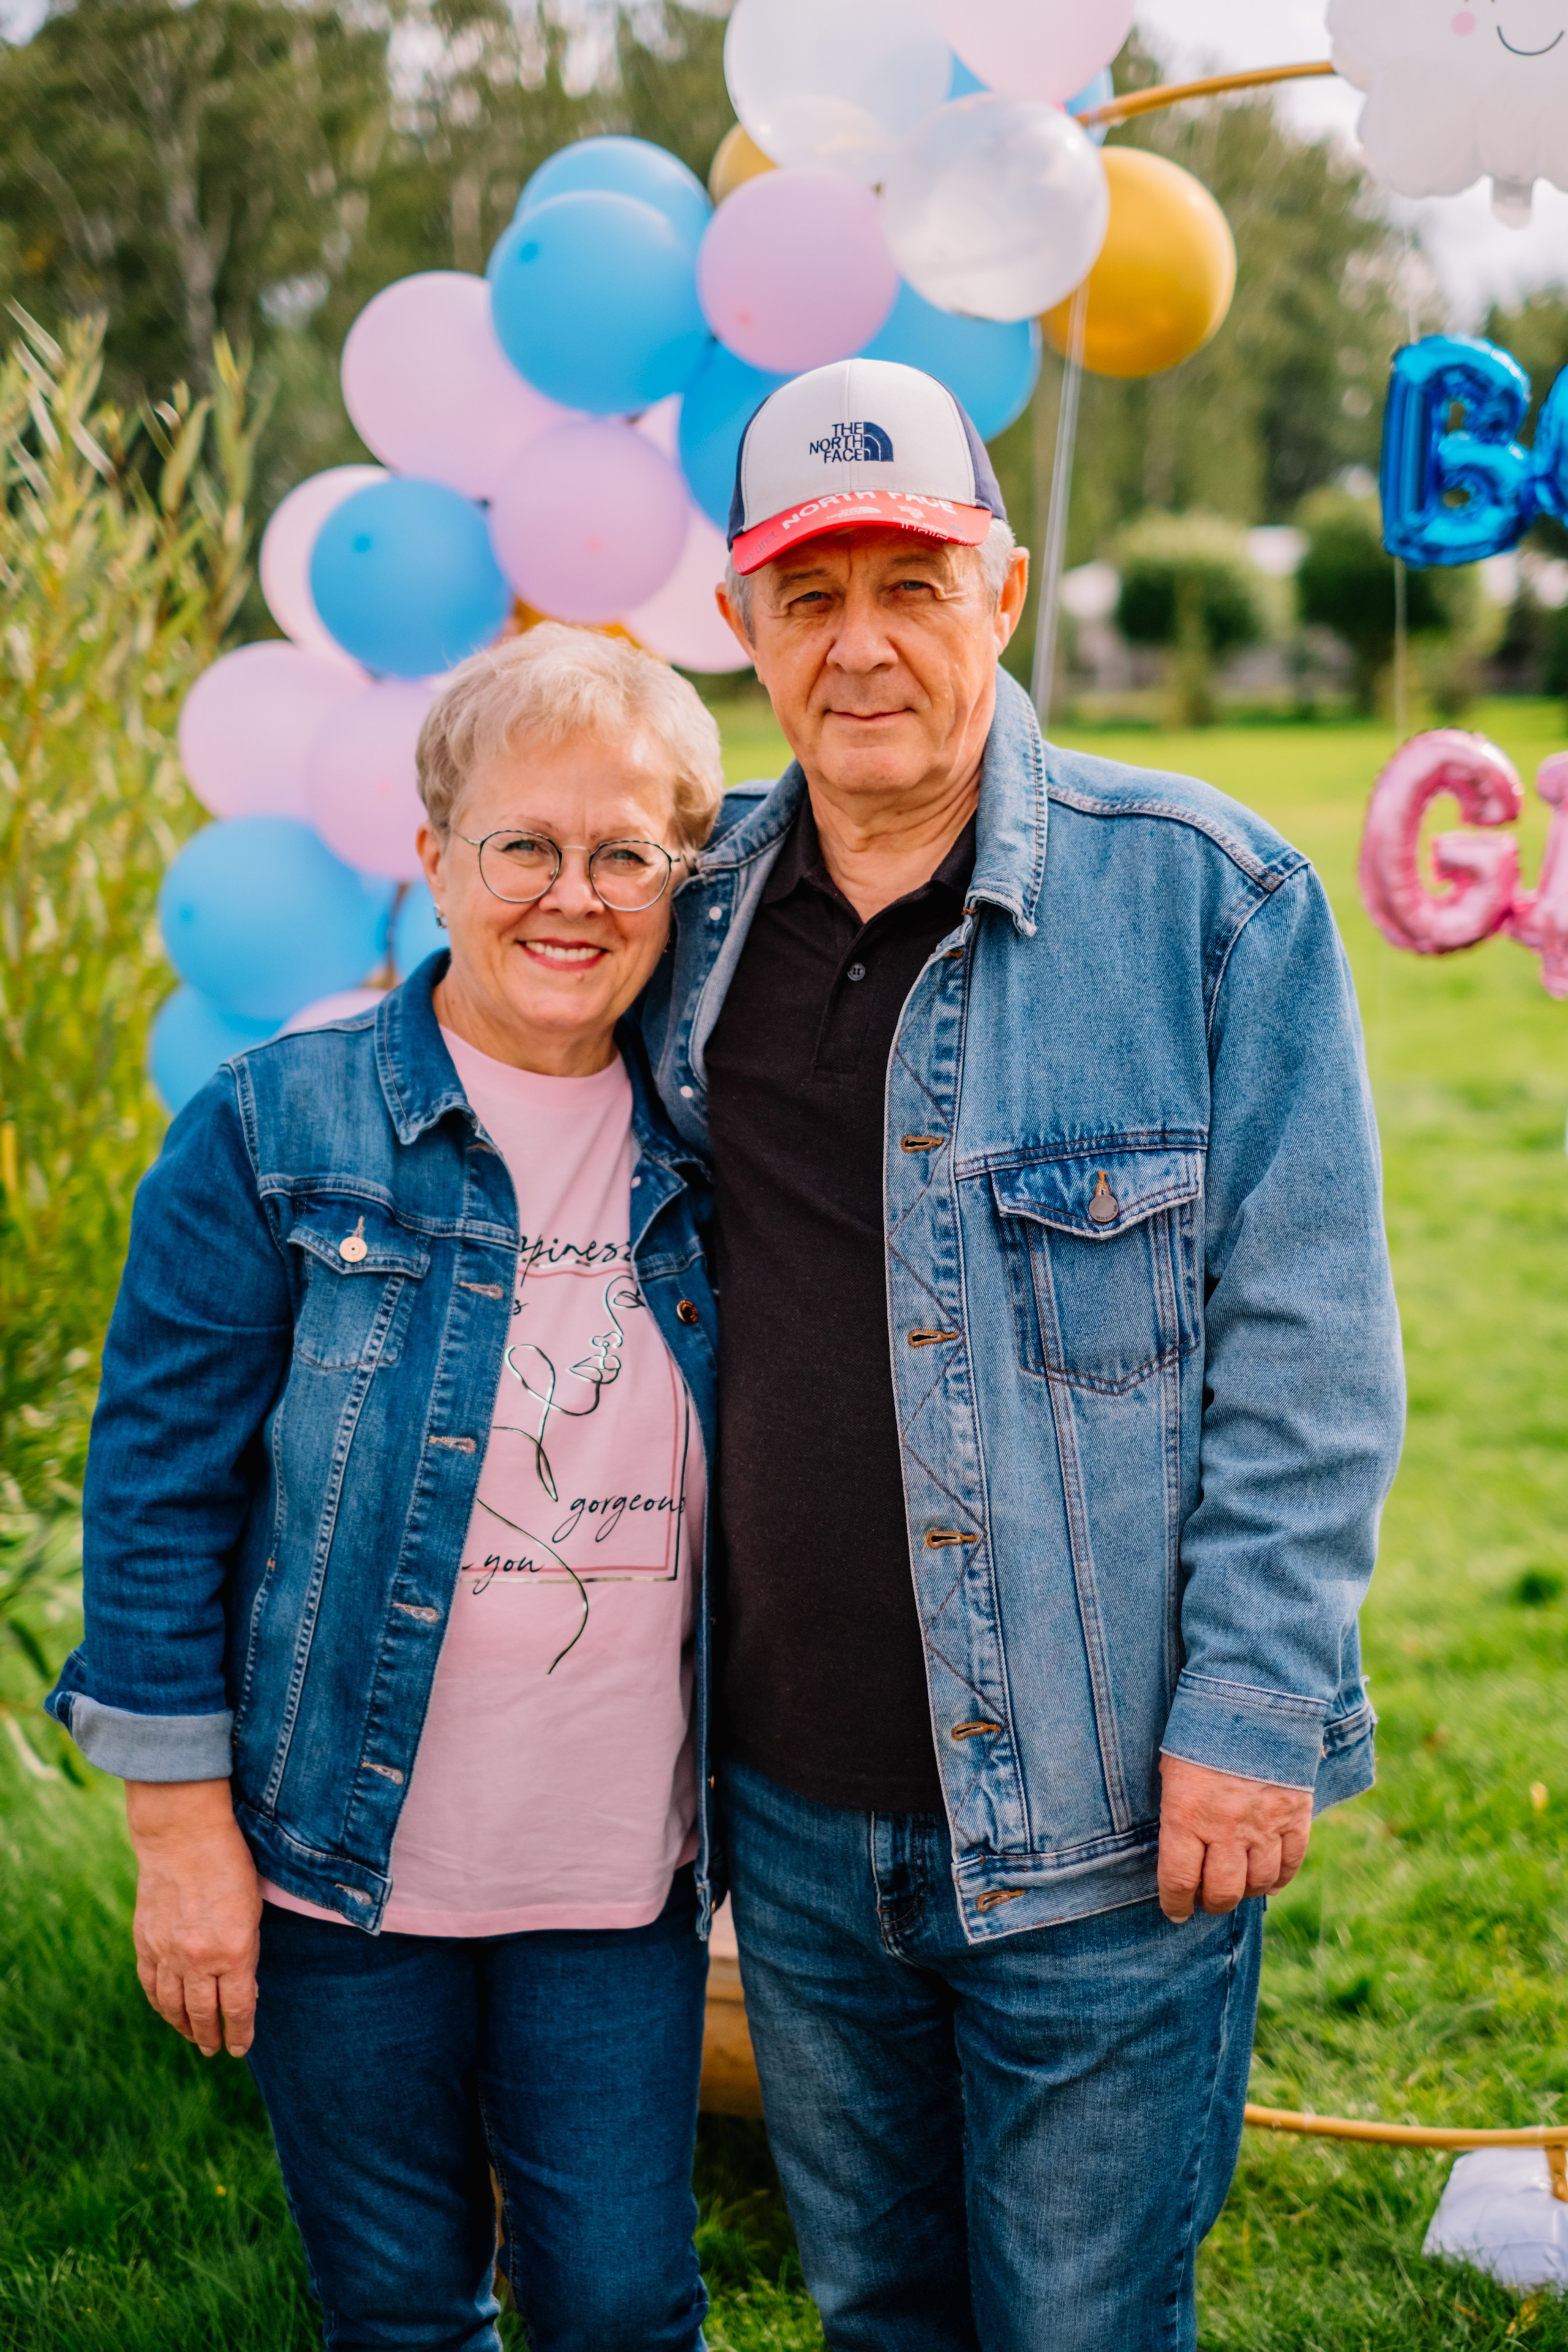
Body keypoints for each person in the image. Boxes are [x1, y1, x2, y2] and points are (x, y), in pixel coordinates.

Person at [643, 357, 1406, 2351]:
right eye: (812, 597)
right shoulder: (687, 915)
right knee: (881, 2307)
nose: (865, 646)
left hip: (1107, 1820)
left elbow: (1313, 1353)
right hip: (791, 1823)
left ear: (1007, 587)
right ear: (740, 627)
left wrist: (1253, 1706)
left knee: (1079, 2321)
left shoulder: (1209, 903)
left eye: (916, 582)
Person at [46, 626, 725, 2352]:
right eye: (524, 846)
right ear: (433, 856)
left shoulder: (723, 1149)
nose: (572, 897)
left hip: (619, 1876)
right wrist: (180, 1836)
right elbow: (153, 1500)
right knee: (402, 2314)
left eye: (626, 853)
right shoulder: (278, 1133)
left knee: (627, 2304)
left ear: (681, 878)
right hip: (334, 1869)